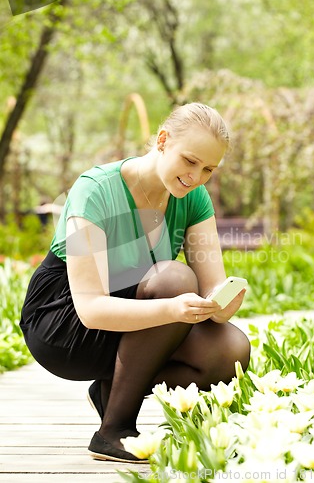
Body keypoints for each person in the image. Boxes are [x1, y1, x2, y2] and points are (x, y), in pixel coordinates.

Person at [20, 102, 250, 463]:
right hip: (64, 322)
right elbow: (91, 309)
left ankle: (112, 392)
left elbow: (211, 289)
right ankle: (115, 430)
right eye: (190, 161)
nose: (197, 177)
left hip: (136, 317)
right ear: (162, 141)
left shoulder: (193, 199)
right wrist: (173, 308)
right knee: (175, 278)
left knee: (228, 350)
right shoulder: (93, 191)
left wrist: (222, 304)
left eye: (208, 169)